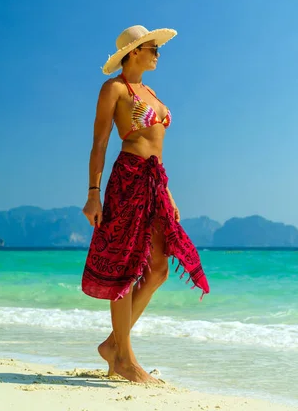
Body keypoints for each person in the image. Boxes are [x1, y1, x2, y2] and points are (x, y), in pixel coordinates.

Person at [81, 25, 209, 384]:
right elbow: (100, 143)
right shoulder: (114, 89)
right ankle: (125, 357)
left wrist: (167, 194)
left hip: (155, 185)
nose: (158, 53)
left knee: (158, 270)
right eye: (153, 48)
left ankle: (112, 346)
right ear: (135, 52)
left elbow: (158, 152)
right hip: (128, 180)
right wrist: (94, 192)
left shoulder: (151, 92)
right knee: (125, 268)